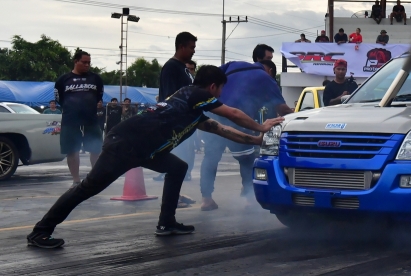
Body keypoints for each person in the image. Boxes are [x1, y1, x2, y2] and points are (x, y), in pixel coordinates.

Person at [25, 65, 285, 249]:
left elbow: (222, 129)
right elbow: (233, 114)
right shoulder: (196, 94)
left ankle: (167, 223)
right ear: (214, 86)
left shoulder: (190, 107)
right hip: (125, 144)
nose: (219, 97)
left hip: (142, 148)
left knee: (177, 167)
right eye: (219, 92)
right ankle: (41, 231)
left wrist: (255, 140)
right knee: (88, 188)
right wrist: (261, 126)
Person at [199, 47, 292, 211]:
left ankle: (206, 199)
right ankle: (250, 198)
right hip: (236, 118)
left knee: (211, 158)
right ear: (269, 70)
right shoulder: (266, 77)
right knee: (247, 159)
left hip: (212, 114)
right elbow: (282, 108)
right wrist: (295, 114)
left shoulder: (232, 65)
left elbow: (209, 79)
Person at [54, 50, 104, 187]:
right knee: (72, 150)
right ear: (76, 61)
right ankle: (76, 180)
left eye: (89, 62)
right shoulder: (63, 79)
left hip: (91, 118)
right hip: (71, 119)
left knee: (96, 148)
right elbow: (59, 98)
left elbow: (99, 96)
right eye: (84, 62)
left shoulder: (95, 79)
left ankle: (95, 178)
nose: (87, 65)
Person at [157, 32, 197, 182]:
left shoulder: (183, 68)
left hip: (184, 122)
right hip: (173, 122)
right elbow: (170, 96)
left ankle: (177, 194)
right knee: (176, 159)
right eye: (192, 47)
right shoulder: (171, 67)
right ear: (182, 46)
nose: (194, 50)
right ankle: (174, 197)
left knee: (182, 160)